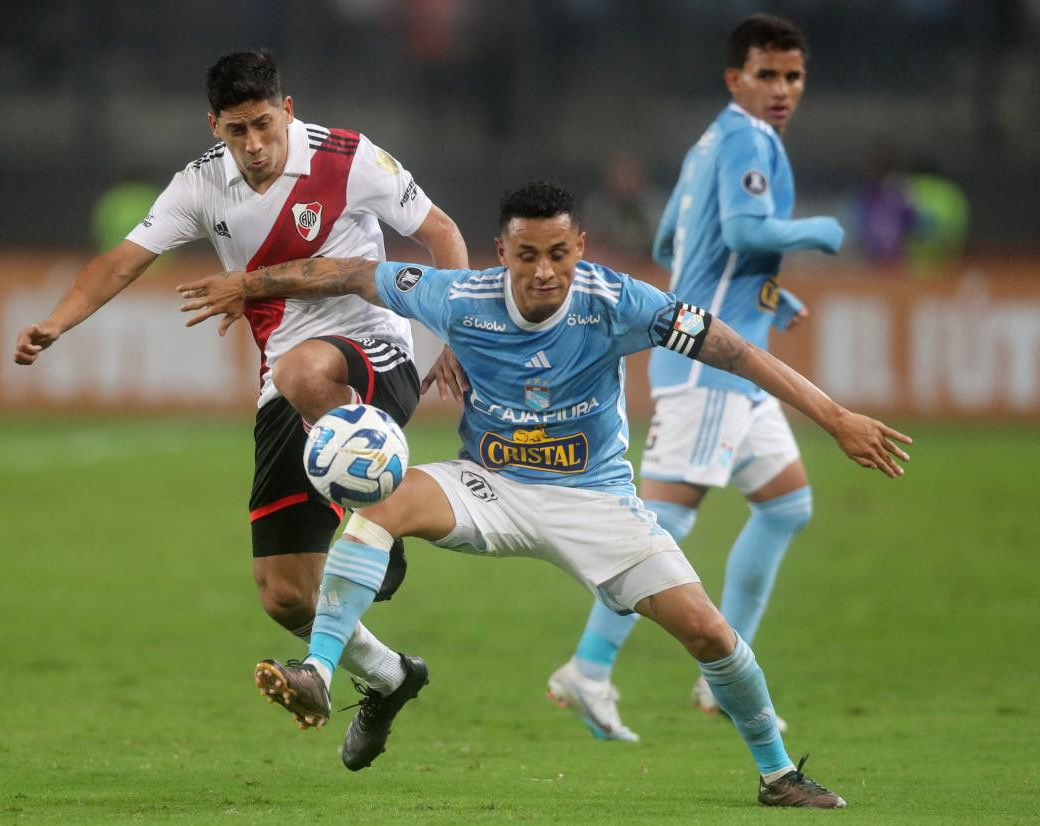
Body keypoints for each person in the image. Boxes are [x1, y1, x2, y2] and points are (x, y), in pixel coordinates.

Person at [177, 180, 911, 807]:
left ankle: (777, 775)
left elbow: (738, 350)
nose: (544, 272)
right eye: (527, 255)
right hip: (489, 485)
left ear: (580, 247)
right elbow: (349, 273)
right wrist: (250, 284)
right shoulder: (458, 297)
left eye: (558, 254)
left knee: (709, 635)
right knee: (381, 503)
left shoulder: (620, 303)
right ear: (502, 253)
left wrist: (837, 417)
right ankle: (321, 671)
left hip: (594, 500)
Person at [12, 49, 468, 771]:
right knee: (286, 595)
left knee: (302, 365)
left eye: (263, 125)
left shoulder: (347, 160)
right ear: (214, 126)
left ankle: (373, 501)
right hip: (286, 388)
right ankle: (388, 677)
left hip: (374, 355)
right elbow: (123, 260)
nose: (253, 146)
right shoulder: (202, 183)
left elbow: (440, 233)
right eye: (236, 132)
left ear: (287, 110)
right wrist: (57, 323)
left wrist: (454, 335)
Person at [548, 14, 849, 742]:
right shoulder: (749, 140)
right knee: (660, 526)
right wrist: (819, 231)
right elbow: (744, 234)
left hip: (730, 368)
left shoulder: (710, 140)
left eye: (793, 76)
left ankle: (722, 679)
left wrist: (770, 295)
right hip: (710, 371)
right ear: (734, 78)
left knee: (786, 505)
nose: (782, 90)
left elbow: (671, 243)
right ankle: (587, 669)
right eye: (767, 75)